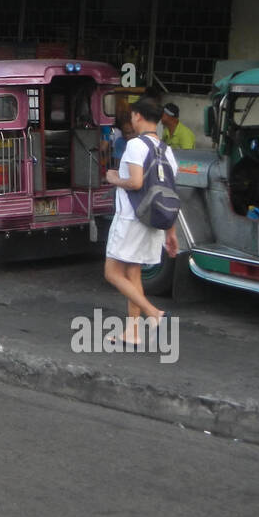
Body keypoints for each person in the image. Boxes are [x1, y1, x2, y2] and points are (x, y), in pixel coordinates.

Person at [103, 97, 177, 344]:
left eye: (132, 116)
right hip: (154, 220)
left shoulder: (135, 145)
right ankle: (132, 333)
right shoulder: (167, 150)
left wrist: (114, 179)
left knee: (112, 273)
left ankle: (153, 313)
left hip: (130, 219)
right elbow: (169, 191)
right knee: (133, 273)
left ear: (137, 116)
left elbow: (135, 183)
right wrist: (171, 231)